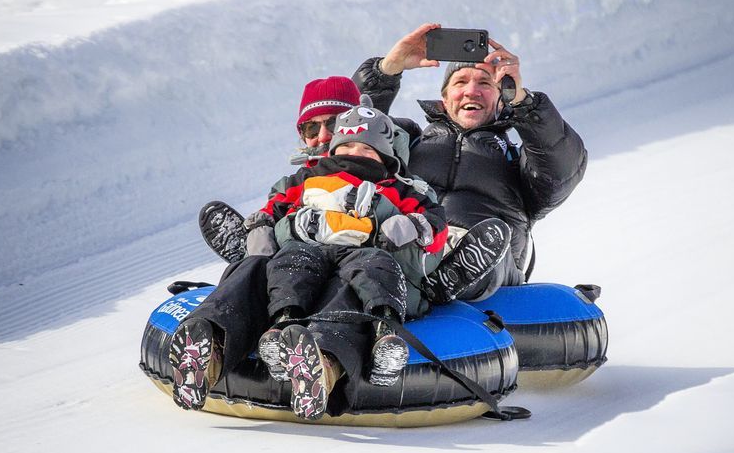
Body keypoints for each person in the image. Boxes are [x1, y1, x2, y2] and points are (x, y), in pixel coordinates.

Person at [247, 95, 448, 420]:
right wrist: (261, 227)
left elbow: (436, 224)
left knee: (369, 270)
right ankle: (283, 327)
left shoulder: (400, 187)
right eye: (348, 147)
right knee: (291, 263)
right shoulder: (310, 178)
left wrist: (412, 224)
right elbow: (275, 207)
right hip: (313, 254)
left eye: (366, 149)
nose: (355, 154)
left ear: (384, 156)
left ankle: (383, 334)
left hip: (368, 263)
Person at [352, 23, 588, 300]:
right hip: (411, 249)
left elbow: (562, 168)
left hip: (488, 271)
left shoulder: (518, 160)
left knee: (489, 245)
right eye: (460, 82)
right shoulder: (409, 141)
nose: (471, 91)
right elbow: (347, 134)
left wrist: (524, 103)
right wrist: (386, 70)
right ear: (444, 97)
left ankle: (452, 275)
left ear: (503, 99)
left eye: (485, 83)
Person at [169, 76, 362, 411]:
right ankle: (207, 346)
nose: (323, 137)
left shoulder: (381, 172)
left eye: (333, 124)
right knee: (255, 269)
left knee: (346, 288)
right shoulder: (292, 185)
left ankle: (321, 369)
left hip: (345, 270)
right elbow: (271, 213)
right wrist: (261, 234)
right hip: (293, 271)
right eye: (310, 129)